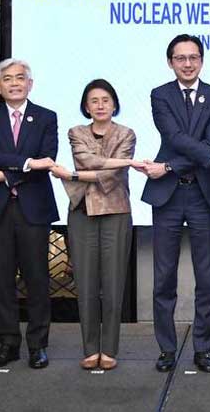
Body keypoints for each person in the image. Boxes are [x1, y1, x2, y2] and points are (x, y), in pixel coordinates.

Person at [139, 34, 210, 374]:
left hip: (202, 194)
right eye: (180, 58)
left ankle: (204, 349)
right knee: (163, 276)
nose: (187, 63)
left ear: (202, 60)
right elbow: (176, 138)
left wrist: (169, 166)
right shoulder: (160, 95)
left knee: (206, 276)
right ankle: (167, 349)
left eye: (193, 57)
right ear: (170, 62)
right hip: (167, 196)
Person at [50, 79, 140, 371]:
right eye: (94, 101)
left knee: (113, 283)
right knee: (86, 283)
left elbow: (110, 176)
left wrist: (72, 176)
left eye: (105, 100)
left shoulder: (127, 133)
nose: (100, 105)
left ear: (114, 104)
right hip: (81, 211)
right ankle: (90, 349)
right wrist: (114, 163)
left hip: (116, 211)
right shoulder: (76, 132)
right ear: (86, 107)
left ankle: (109, 349)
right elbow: (86, 160)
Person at [0, 59, 59, 370]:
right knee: (1, 279)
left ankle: (38, 345)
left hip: (33, 208)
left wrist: (6, 174)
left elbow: (47, 159)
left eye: (20, 78)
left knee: (37, 278)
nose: (14, 83)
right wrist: (26, 164)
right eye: (7, 79)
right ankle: (8, 343)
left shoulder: (46, 117)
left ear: (30, 84)